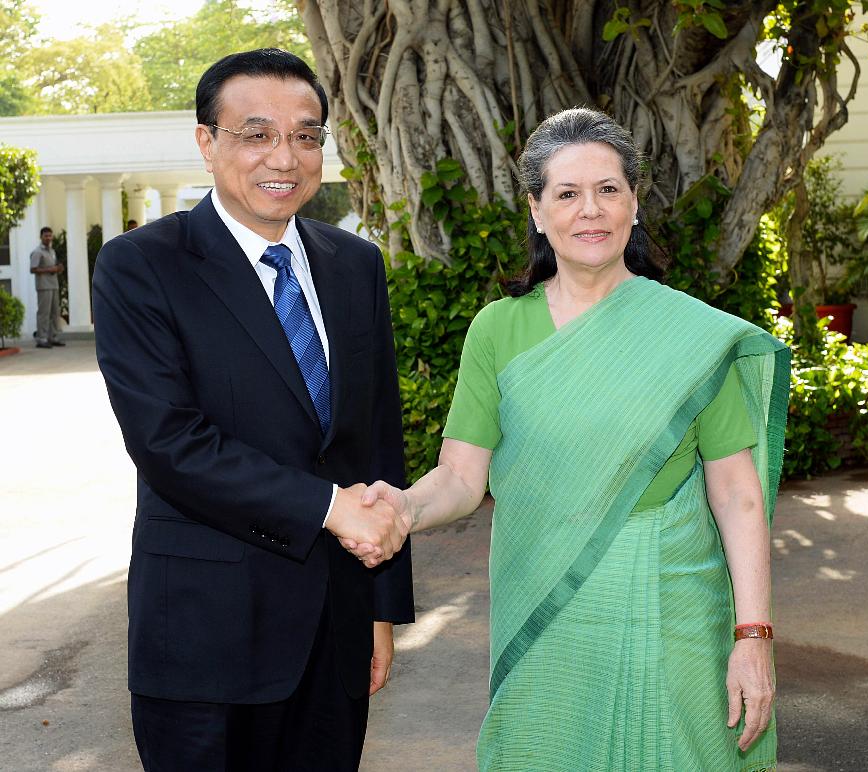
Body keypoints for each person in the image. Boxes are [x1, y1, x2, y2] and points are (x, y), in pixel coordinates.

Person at [350, 108, 788, 770]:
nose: (592, 211)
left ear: (634, 204)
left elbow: (736, 493)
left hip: (670, 610)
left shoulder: (692, 337)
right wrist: (403, 510)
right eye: (567, 193)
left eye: (609, 190)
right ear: (536, 210)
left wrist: (753, 636)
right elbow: (463, 477)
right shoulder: (498, 330)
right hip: (547, 604)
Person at [92, 48, 413, 771]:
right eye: (256, 133)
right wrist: (332, 509)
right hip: (206, 636)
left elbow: (376, 445)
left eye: (306, 136)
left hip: (336, 626)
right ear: (207, 142)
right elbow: (170, 442)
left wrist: (382, 608)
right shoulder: (142, 266)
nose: (286, 157)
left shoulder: (353, 264)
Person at [29, 226, 65, 348]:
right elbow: (33, 269)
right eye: (46, 236)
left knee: (55, 313)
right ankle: (41, 338)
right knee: (44, 313)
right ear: (41, 237)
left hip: (54, 285)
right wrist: (51, 269)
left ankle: (53, 337)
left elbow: (53, 267)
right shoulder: (37, 252)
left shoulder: (52, 251)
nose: (48, 238)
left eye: (50, 235)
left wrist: (58, 268)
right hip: (44, 286)